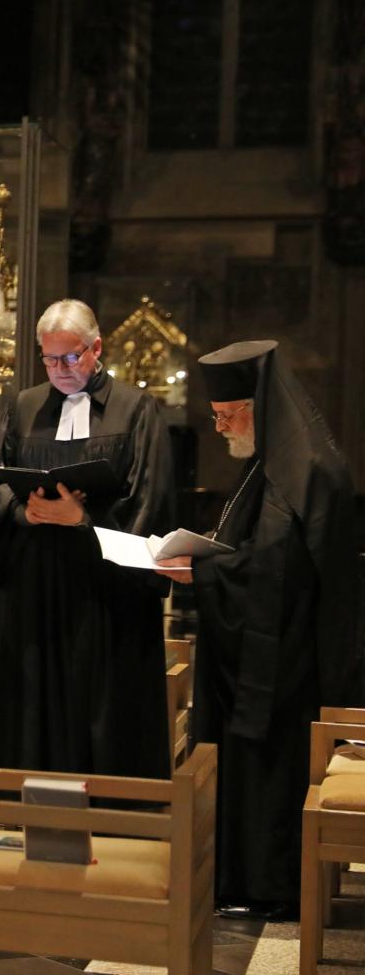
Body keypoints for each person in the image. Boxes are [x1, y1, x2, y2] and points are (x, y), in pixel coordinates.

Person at [157, 339, 360, 920]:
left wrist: (204, 571)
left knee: (274, 768)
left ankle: (273, 882)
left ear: (258, 407)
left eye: (227, 416)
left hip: (290, 659)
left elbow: (280, 570)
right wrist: (209, 565)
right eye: (216, 418)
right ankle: (237, 877)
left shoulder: (310, 468)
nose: (220, 429)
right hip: (251, 649)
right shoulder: (266, 463)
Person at [0, 299, 175, 780]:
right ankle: (33, 811)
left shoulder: (136, 409)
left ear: (97, 348)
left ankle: (113, 815)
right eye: (49, 359)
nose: (60, 370)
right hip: (35, 587)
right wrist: (25, 511)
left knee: (104, 705)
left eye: (71, 357)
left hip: (106, 594)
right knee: (35, 699)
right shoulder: (23, 408)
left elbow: (150, 499)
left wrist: (82, 520)